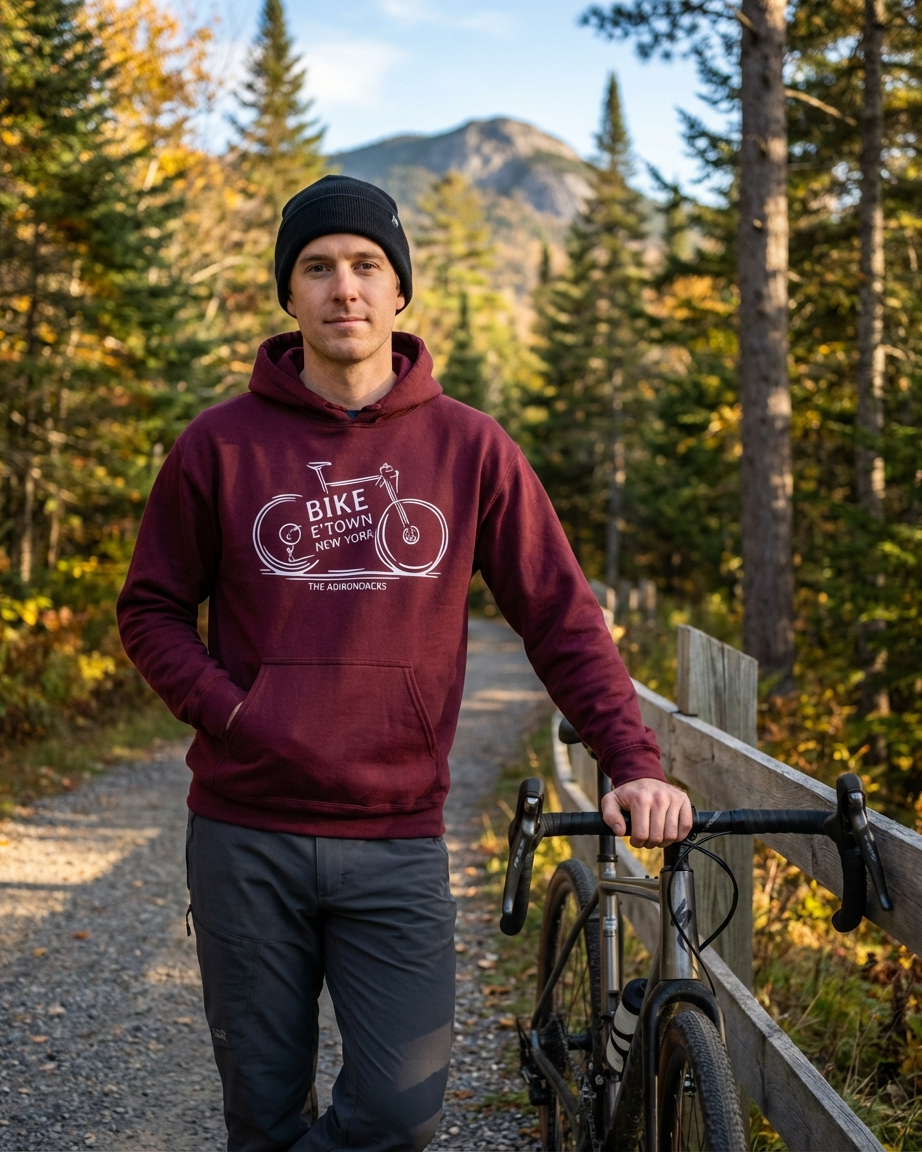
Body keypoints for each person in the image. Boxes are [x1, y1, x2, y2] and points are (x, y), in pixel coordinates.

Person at [117, 175, 692, 1152]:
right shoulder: (217, 445)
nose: (343, 287)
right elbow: (153, 608)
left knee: (398, 1111)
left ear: (398, 293)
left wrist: (631, 760)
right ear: (289, 295)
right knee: (260, 1114)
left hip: (397, 840)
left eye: (365, 266)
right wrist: (233, 713)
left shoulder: (471, 448)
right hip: (245, 834)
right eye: (318, 267)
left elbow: (558, 615)